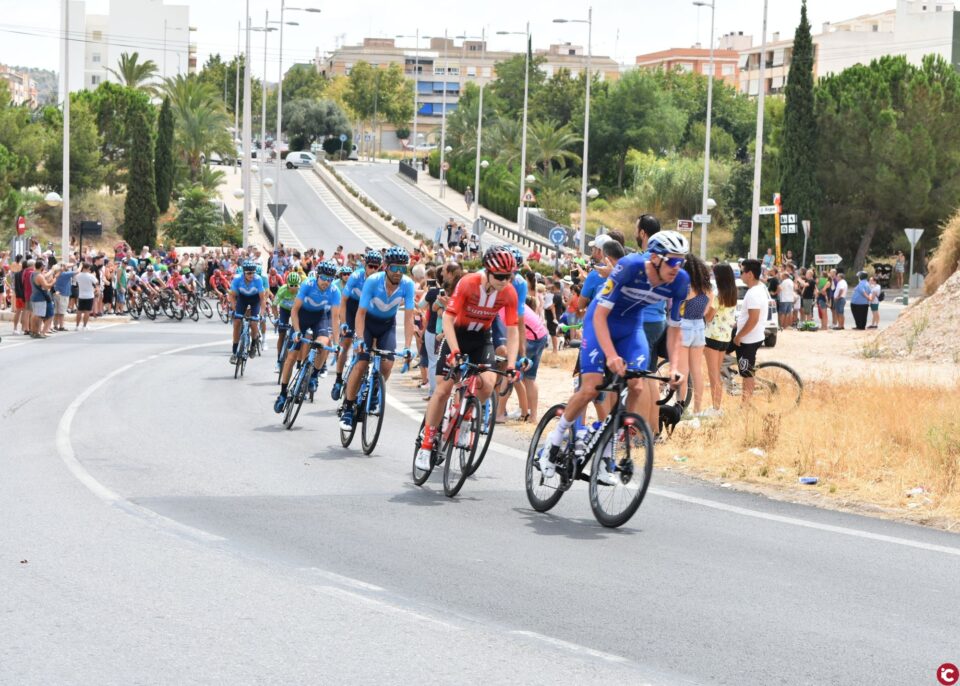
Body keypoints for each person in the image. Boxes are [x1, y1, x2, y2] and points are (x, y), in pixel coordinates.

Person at [537, 231, 690, 483]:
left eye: (681, 261)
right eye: (672, 261)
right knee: (590, 388)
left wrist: (674, 367)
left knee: (636, 384)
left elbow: (675, 330)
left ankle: (606, 454)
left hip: (632, 328)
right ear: (655, 258)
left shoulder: (680, 281)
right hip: (601, 322)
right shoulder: (629, 267)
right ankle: (554, 442)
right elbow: (599, 316)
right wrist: (610, 355)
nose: (677, 267)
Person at [415, 246, 520, 470]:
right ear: (488, 272)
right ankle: (426, 445)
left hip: (481, 338)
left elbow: (513, 330)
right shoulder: (468, 283)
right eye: (500, 276)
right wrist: (454, 352)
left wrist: (511, 364)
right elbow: (448, 319)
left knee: (488, 383)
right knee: (443, 390)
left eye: (509, 276)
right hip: (457, 335)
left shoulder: (509, 292)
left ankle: (465, 420)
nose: (505, 281)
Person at [339, 247, 417, 432]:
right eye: (395, 268)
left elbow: (409, 318)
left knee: (387, 364)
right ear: (386, 267)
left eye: (403, 268)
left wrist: (407, 346)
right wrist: (359, 339)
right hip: (367, 323)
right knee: (361, 362)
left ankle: (374, 392)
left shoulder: (408, 284)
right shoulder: (373, 281)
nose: (398, 272)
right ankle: (348, 408)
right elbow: (360, 313)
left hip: (387, 326)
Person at [274, 261, 341, 412]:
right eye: (324, 278)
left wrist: (337, 343)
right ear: (318, 276)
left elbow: (335, 319)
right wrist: (297, 331)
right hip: (302, 316)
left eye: (330, 279)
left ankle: (314, 375)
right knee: (292, 356)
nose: (326, 282)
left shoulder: (334, 291)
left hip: (319, 317)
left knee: (324, 343)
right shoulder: (308, 284)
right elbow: (294, 310)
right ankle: (283, 394)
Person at [331, 250, 383, 401]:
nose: (373, 269)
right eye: (370, 266)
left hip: (368, 310)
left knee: (370, 345)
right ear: (365, 265)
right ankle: (338, 379)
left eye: (376, 267)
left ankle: (364, 376)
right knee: (346, 343)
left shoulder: (381, 279)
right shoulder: (355, 276)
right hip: (352, 307)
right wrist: (343, 323)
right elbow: (343, 301)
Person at [677, 254, 711, 416]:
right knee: (697, 371)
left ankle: (680, 408)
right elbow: (705, 311)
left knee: (682, 372)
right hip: (699, 327)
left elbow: (677, 308)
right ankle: (697, 410)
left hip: (684, 326)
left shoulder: (686, 287)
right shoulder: (707, 289)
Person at [703, 262, 737, 416]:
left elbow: (709, 317)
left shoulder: (718, 295)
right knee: (717, 373)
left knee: (713, 374)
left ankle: (715, 408)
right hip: (725, 338)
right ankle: (718, 408)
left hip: (712, 337)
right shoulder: (732, 293)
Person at [732, 259, 766, 401]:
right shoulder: (759, 288)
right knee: (745, 370)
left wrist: (739, 336)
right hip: (751, 336)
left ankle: (745, 406)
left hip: (748, 339)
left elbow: (753, 319)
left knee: (747, 374)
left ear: (750, 274)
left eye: (742, 272)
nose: (740, 274)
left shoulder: (753, 293)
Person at [228, 260, 268, 364]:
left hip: (255, 300)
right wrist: (234, 309)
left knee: (254, 323)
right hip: (242, 299)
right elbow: (232, 296)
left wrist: (261, 314)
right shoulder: (237, 279)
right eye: (249, 273)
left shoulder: (258, 279)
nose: (251, 275)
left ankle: (253, 344)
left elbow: (262, 299)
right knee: (237, 322)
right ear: (244, 272)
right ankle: (234, 352)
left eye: (253, 272)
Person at [273, 271, 302, 368]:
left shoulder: (301, 291)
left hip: (296, 311)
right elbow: (274, 305)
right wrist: (276, 318)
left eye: (296, 285)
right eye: (291, 285)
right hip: (284, 310)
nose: (293, 288)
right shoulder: (282, 290)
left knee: (297, 333)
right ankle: (279, 359)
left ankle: (296, 359)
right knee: (281, 334)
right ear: (287, 284)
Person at [74, 262, 99, 331]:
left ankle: (77, 326)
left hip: (81, 295)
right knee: (87, 311)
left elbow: (76, 281)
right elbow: (96, 282)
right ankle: (84, 326)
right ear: (88, 268)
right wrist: (96, 289)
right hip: (89, 295)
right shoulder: (91, 276)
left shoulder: (78, 275)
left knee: (79, 311)